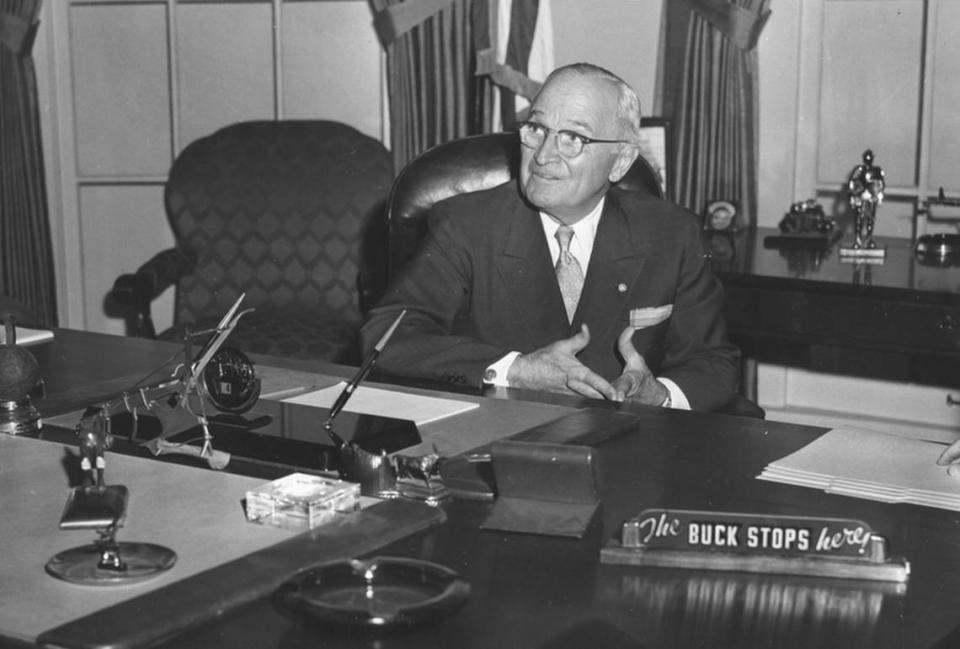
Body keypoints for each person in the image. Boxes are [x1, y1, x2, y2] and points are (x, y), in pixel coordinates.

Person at [361, 62, 740, 411]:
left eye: (573, 137)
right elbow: (385, 338)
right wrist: (515, 371)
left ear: (621, 160)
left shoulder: (672, 233)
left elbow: (713, 363)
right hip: (499, 440)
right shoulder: (466, 224)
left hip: (626, 449)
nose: (543, 155)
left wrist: (659, 395)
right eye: (537, 129)